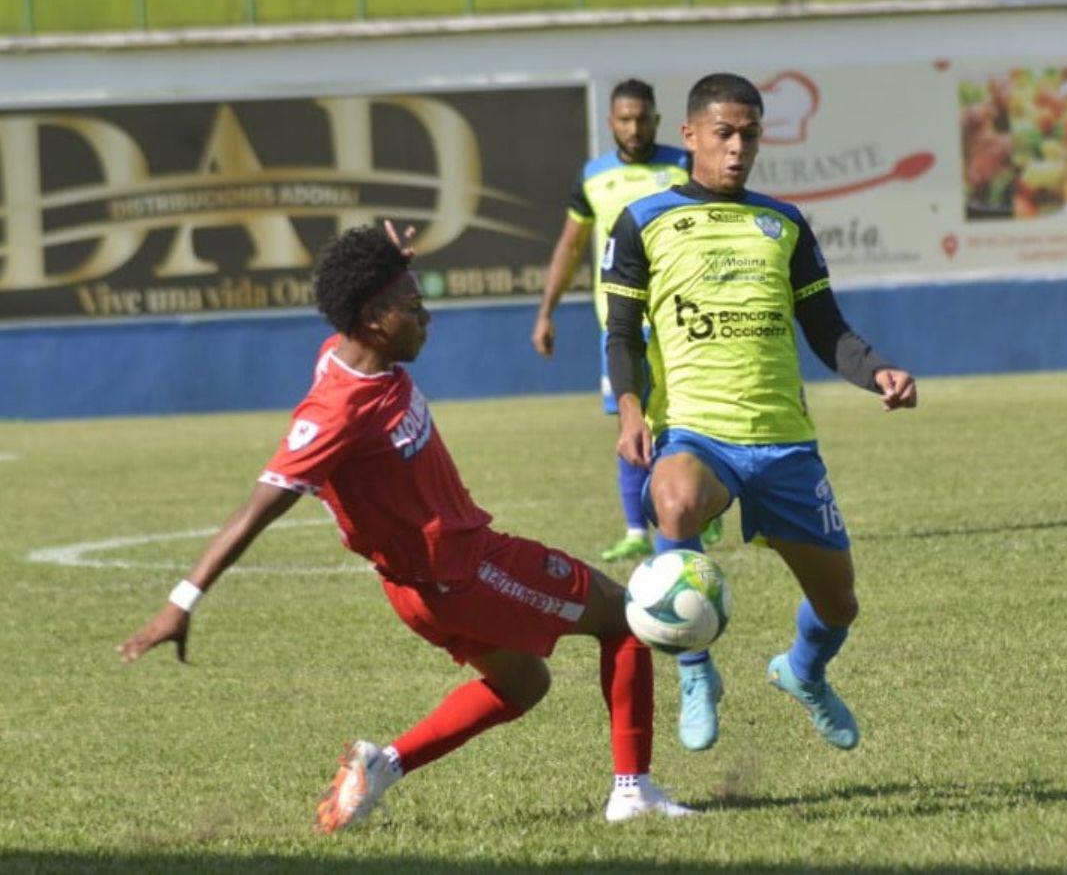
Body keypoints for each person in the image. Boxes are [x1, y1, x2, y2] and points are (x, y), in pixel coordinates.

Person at [118, 222, 691, 829]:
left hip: (423, 589)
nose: (426, 318)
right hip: (466, 573)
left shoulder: (347, 352)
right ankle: (632, 793)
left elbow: (361, 292)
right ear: (372, 318)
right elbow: (256, 509)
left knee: (523, 685)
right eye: (412, 307)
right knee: (624, 618)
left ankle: (380, 767)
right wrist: (182, 602)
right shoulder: (337, 411)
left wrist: (390, 262)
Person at [602, 73, 918, 753]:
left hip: (782, 441)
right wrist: (630, 408)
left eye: (749, 135)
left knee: (839, 605)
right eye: (724, 134)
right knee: (676, 501)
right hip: (698, 433)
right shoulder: (644, 221)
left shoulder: (783, 223)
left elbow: (826, 328)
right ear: (690, 135)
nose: (737, 148)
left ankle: (803, 672)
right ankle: (696, 671)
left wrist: (877, 372)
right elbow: (621, 332)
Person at [530, 78, 721, 563]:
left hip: (680, 319)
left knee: (692, 414)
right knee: (629, 419)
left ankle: (705, 504)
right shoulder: (594, 176)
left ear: (656, 120)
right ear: (611, 122)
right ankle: (636, 529)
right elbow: (571, 244)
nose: (634, 128)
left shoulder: (683, 165)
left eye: (641, 119)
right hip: (620, 323)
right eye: (624, 119)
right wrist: (546, 311)